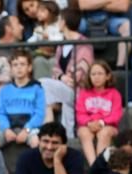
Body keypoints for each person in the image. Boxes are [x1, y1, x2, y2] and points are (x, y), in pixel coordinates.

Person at [38, 9, 91, 140]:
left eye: (59, 20)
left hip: (78, 89)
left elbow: (84, 67)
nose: (57, 23)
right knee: (45, 100)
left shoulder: (84, 42)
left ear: (64, 22)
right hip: (63, 86)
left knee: (41, 83)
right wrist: (62, 77)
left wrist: (69, 78)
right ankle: (49, 131)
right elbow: (56, 69)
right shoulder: (62, 44)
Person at [75, 61, 122, 165]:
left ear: (108, 76)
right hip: (88, 125)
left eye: (100, 74)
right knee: (83, 132)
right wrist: (89, 123)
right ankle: (94, 166)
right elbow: (80, 113)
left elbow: (116, 115)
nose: (96, 77)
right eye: (93, 74)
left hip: (108, 126)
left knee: (104, 133)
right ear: (89, 77)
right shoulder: (84, 93)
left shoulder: (114, 94)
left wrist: (102, 123)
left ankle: (101, 164)